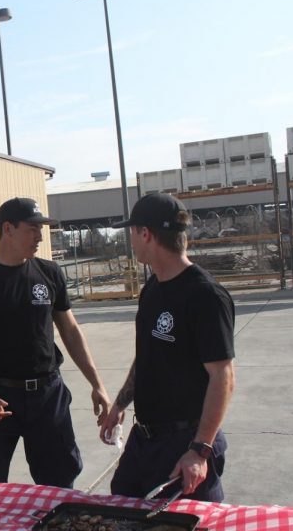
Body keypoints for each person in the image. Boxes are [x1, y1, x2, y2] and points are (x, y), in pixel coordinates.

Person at [0, 197, 111, 488]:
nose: (40, 236)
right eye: (32, 228)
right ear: (8, 229)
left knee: (59, 484)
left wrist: (97, 384)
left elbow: (71, 331)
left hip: (47, 396)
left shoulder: (49, 273)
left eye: (42, 229)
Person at [100, 193, 235, 502]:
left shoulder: (205, 296)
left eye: (132, 232)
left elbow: (223, 377)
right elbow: (149, 355)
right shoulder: (152, 288)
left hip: (185, 444)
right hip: (145, 441)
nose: (131, 241)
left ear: (145, 233)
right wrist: (120, 404)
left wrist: (200, 450)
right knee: (121, 505)